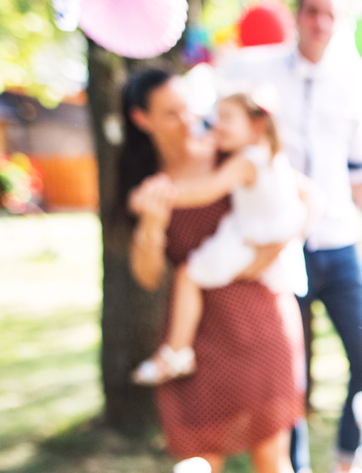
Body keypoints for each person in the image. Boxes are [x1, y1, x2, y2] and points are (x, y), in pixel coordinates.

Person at [121, 68, 306, 473]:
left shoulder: (232, 156)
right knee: (199, 463)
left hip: (258, 321)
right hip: (199, 335)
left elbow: (296, 206)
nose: (188, 121)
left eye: (188, 107)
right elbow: (149, 274)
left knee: (272, 452)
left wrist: (263, 255)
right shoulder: (149, 181)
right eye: (171, 112)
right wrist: (151, 225)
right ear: (143, 119)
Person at [220, 0, 362, 473]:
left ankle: (346, 465)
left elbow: (361, 172)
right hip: (281, 248)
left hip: (338, 244)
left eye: (331, 15)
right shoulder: (257, 71)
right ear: (297, 15)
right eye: (313, 11)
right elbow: (224, 133)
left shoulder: (350, 83)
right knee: (287, 373)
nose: (322, 24)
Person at [133, 91, 310, 386]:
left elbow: (208, 190)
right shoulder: (269, 156)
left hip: (248, 240)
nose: (217, 125)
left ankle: (177, 352)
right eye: (216, 117)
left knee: (187, 275)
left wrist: (161, 196)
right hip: (257, 237)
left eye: (227, 118)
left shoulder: (246, 161)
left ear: (255, 125)